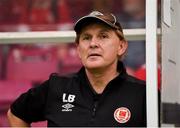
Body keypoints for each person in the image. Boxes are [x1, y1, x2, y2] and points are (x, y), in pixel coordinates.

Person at [7, 11, 146, 127]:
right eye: (86, 38)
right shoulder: (57, 86)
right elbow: (15, 114)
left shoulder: (142, 94)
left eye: (103, 36)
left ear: (121, 47)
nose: (93, 44)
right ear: (79, 49)